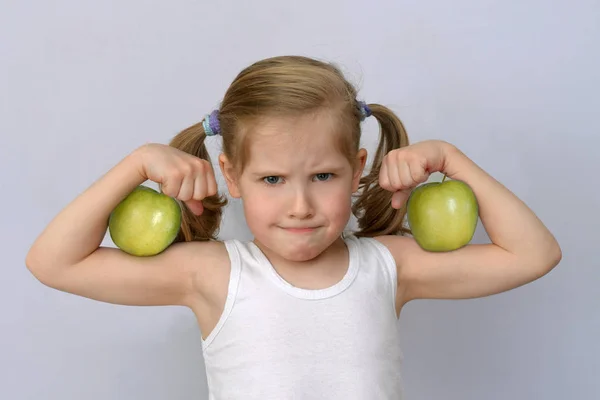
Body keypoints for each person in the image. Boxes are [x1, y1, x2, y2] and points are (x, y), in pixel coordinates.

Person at [25, 55, 562, 399]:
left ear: (357, 169)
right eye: (273, 178)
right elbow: (53, 262)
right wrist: (136, 163)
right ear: (232, 178)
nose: (300, 204)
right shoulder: (215, 274)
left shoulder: (387, 265)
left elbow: (533, 254)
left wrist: (451, 159)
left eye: (323, 175)